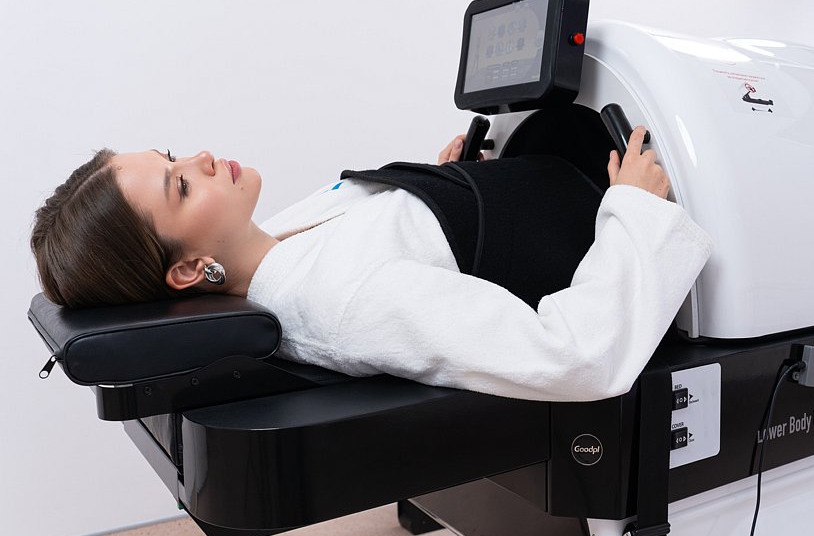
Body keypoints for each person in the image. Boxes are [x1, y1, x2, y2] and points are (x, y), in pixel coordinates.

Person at [31, 127, 712, 401]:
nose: (201, 157)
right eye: (180, 185)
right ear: (188, 270)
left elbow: (386, 237)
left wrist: (448, 191)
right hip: (618, 197)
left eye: (172, 155)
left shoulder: (272, 245)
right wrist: (635, 209)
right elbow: (570, 358)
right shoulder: (344, 302)